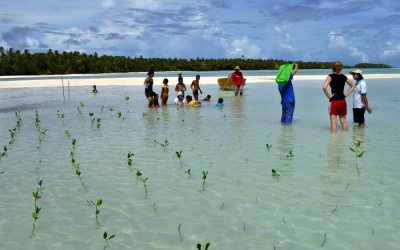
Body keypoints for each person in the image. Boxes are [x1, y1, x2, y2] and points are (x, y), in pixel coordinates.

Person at [322, 61, 355, 133]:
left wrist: (329, 96)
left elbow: (324, 88)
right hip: (342, 101)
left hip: (334, 101)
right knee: (344, 122)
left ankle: (333, 142)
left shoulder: (331, 76)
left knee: (334, 123)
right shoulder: (343, 77)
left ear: (333, 68)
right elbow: (353, 85)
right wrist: (346, 94)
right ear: (341, 68)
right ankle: (343, 140)